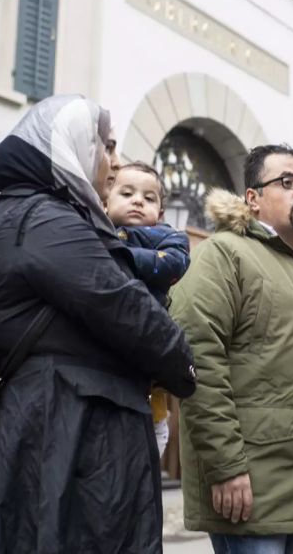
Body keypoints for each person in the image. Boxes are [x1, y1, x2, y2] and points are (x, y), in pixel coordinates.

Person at [0, 94, 196, 554]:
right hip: (65, 437)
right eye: (106, 146)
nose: (115, 160)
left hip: (67, 433)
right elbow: (126, 309)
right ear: (72, 145)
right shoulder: (47, 218)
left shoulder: (41, 216)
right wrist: (183, 367)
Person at [169, 144, 293, 554]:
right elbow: (198, 361)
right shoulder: (223, 255)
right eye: (287, 182)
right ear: (253, 198)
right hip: (246, 487)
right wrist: (225, 466)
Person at [105, 161, 191, 456]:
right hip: (109, 349)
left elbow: (174, 262)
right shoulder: (95, 230)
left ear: (161, 213)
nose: (138, 201)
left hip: (148, 338)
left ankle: (156, 433)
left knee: (153, 402)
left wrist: (121, 255)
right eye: (126, 193)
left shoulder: (168, 238)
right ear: (106, 202)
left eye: (149, 198)